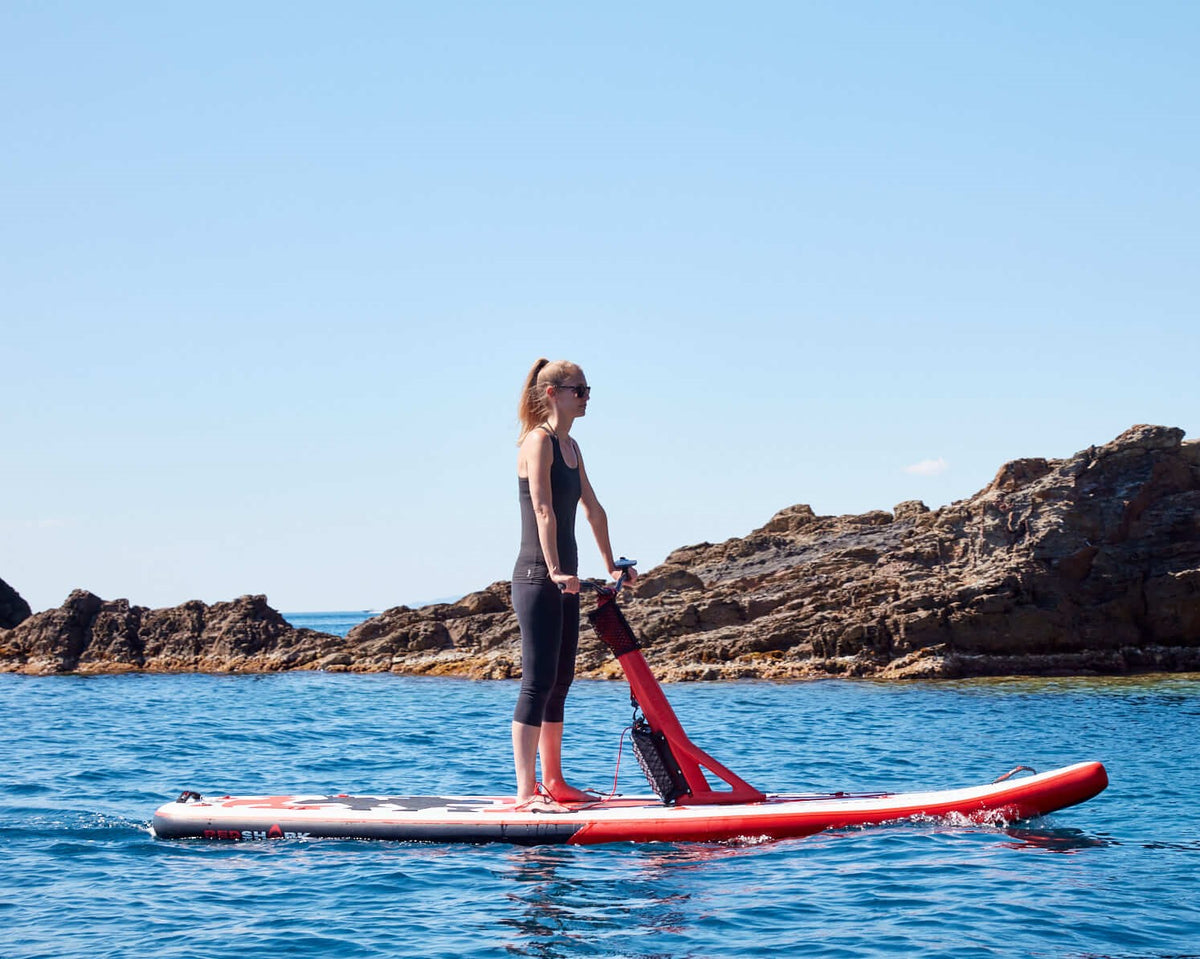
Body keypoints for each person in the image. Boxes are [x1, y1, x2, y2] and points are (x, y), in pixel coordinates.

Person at [511, 358, 636, 811]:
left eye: (588, 389)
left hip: (566, 582)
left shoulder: (571, 446)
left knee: (561, 679)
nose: (586, 397)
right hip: (537, 578)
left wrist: (611, 564)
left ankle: (555, 782)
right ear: (553, 394)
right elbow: (543, 510)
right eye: (578, 389)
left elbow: (594, 509)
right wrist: (555, 569)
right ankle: (526, 794)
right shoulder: (537, 442)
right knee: (537, 681)